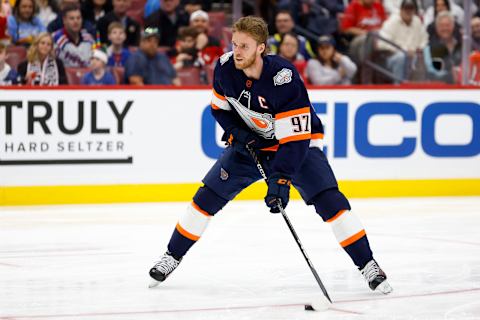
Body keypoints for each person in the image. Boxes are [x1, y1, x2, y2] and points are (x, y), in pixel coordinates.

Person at [148, 16, 393, 295]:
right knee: (204, 199)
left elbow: (295, 139)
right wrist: (237, 133)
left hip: (297, 147)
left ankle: (368, 264)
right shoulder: (226, 68)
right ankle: (172, 255)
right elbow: (219, 109)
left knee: (331, 203)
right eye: (235, 44)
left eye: (244, 46)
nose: (236, 51)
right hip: (252, 147)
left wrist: (281, 179)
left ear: (261, 48)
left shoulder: (283, 78)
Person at [377, 0, 428, 83]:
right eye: (406, 9)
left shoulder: (417, 21)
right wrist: (404, 51)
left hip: (414, 56)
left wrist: (420, 48)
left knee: (423, 55)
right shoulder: (391, 22)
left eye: (411, 9)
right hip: (391, 58)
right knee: (402, 57)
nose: (408, 11)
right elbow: (381, 44)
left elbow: (424, 39)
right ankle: (398, 87)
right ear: (401, 10)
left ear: (414, 11)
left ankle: (419, 89)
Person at [423, 11, 461, 83]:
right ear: (437, 28)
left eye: (447, 25)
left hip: (464, 88)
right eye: (442, 25)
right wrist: (452, 75)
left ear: (453, 26)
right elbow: (431, 73)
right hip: (439, 89)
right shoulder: (428, 48)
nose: (445, 28)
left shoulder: (462, 45)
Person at [52, 3, 94, 67]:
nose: (76, 21)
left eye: (78, 18)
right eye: (72, 18)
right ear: (64, 20)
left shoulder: (89, 39)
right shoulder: (55, 39)